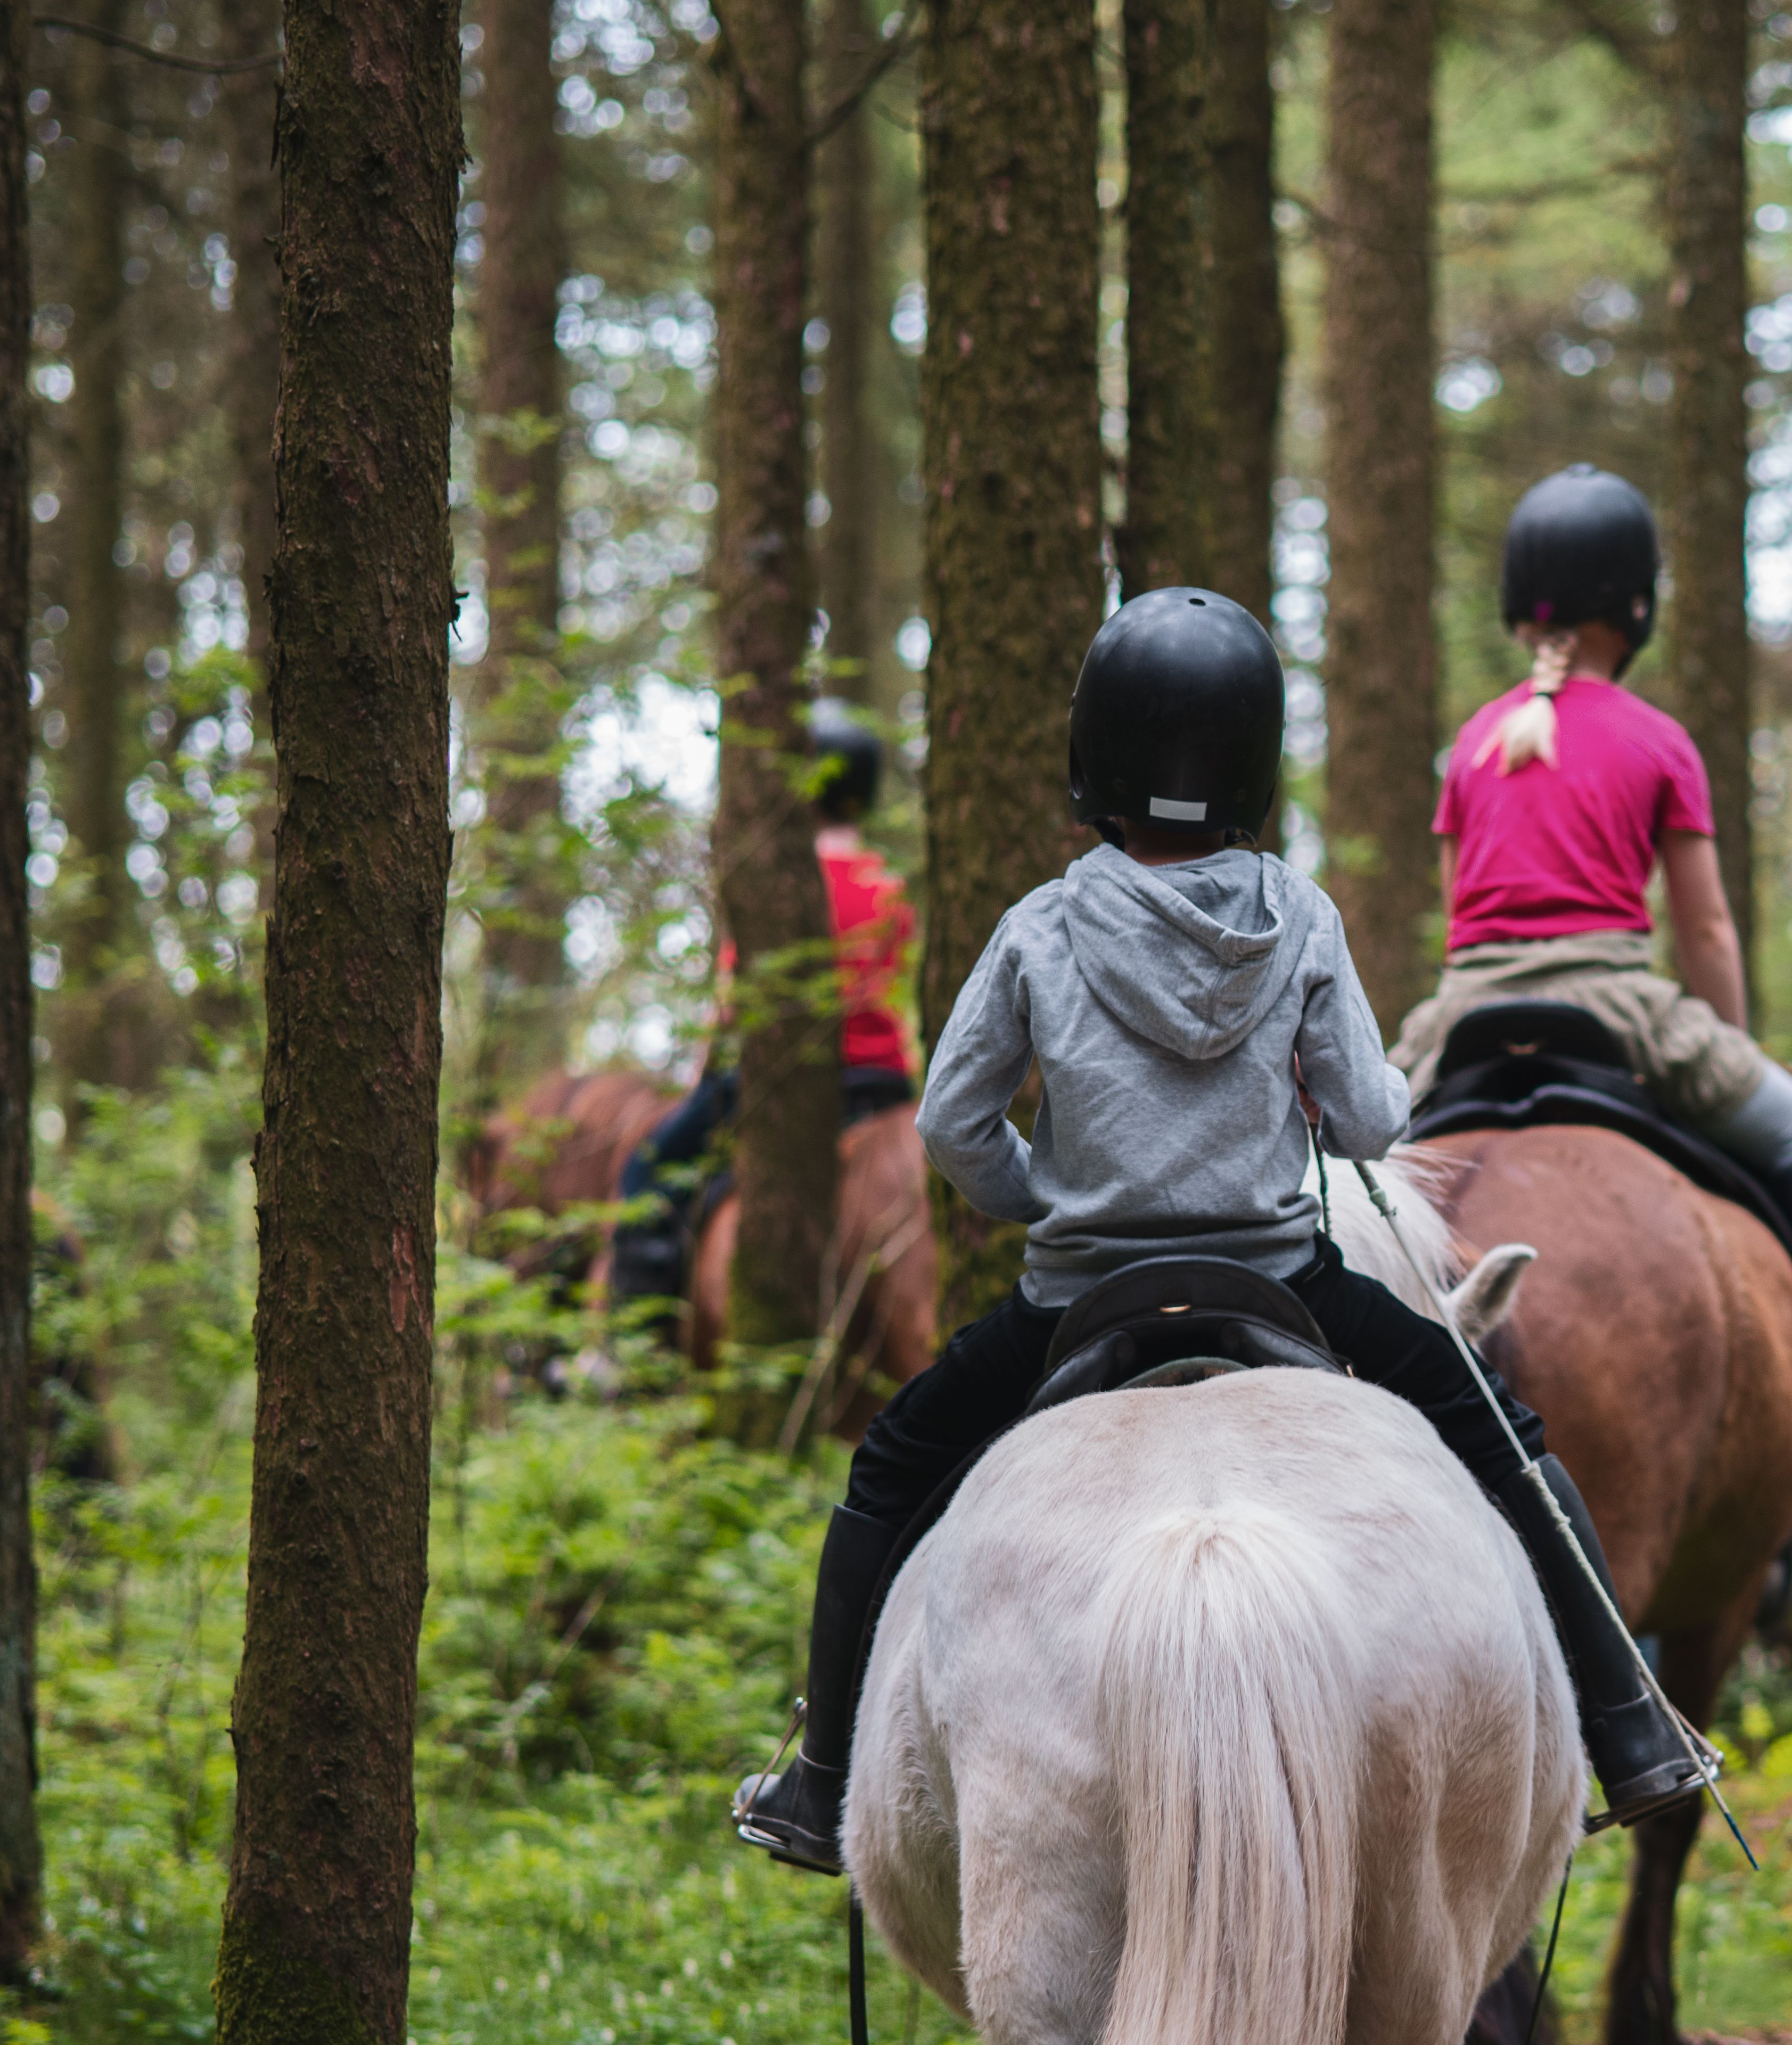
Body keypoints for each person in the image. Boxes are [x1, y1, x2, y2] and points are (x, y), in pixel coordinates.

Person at [729, 587, 1720, 1875]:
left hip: (1076, 1300)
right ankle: (1632, 1726)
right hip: (1283, 1287)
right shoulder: (1299, 917)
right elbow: (1368, 1124)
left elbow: (949, 1122)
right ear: (1255, 763)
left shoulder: (1038, 926)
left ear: (1094, 761)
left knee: (887, 1468)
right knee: (1506, 1439)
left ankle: (821, 1782)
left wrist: (1044, 1196)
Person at [1385, 464, 1792, 1462]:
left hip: (1464, 1004)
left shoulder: (1473, 744)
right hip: (1619, 1001)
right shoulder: (1658, 740)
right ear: (1634, 604)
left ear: (1521, 606)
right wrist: (1730, 1044)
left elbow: (1460, 907)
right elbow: (1710, 929)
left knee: (1341, 1173)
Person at [607, 704, 919, 1315]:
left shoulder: (780, 885)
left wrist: (706, 1074)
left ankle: (633, 1343)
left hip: (784, 1079)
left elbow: (734, 1009)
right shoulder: (890, 888)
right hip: (884, 1087)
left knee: (650, 1170)